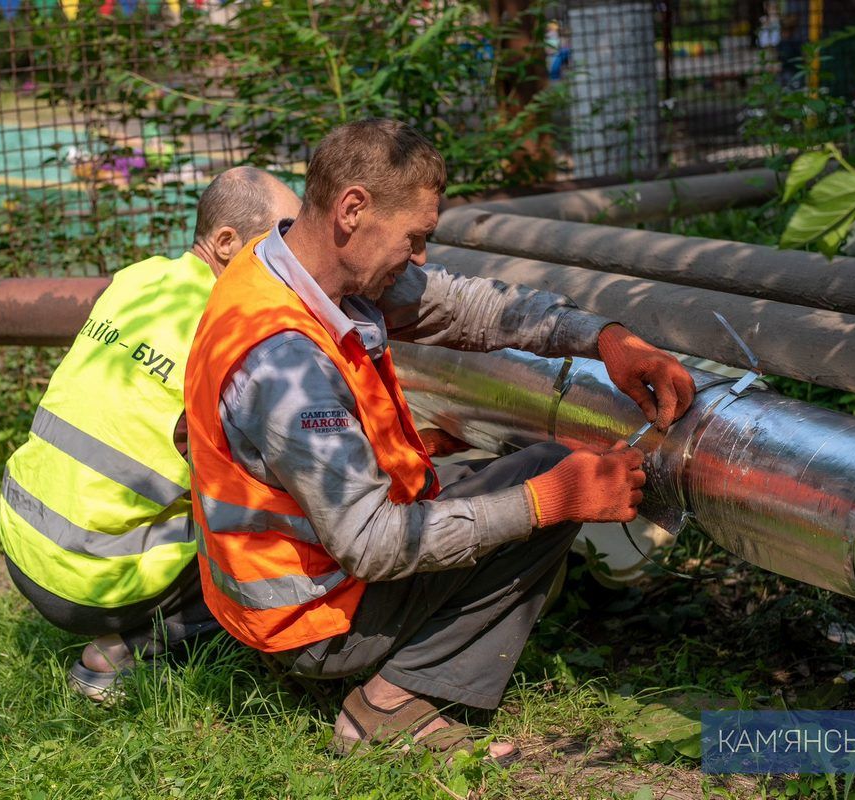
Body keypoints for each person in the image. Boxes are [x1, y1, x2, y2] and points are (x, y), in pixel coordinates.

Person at [184, 120, 695, 760]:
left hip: (284, 588)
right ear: (352, 210)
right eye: (415, 237)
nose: (422, 257)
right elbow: (372, 545)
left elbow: (464, 306)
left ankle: (376, 663)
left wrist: (605, 339)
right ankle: (389, 705)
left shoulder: (281, 266)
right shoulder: (286, 364)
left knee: (532, 474)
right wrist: (550, 502)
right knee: (548, 487)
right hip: (310, 618)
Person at [0, 167, 302, 701]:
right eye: (282, 237)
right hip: (94, 581)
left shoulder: (139, 280)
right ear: (226, 243)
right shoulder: (228, 323)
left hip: (21, 540)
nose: (294, 254)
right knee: (276, 525)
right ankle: (124, 651)